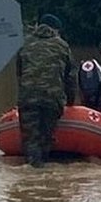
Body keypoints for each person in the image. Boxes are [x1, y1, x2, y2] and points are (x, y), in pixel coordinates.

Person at [16, 13, 77, 167]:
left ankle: (32, 171)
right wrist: (70, 102)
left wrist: (23, 94)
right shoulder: (62, 45)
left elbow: (19, 72)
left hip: (28, 97)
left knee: (31, 139)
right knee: (45, 137)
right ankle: (43, 171)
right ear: (55, 30)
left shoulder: (25, 44)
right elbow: (70, 78)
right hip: (52, 98)